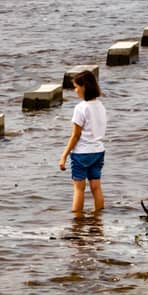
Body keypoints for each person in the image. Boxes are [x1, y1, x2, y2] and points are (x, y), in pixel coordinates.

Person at [57, 69, 106, 215]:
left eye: (76, 87)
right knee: (96, 187)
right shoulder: (100, 106)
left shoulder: (80, 108)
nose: (75, 90)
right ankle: (99, 218)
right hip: (98, 151)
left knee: (79, 189)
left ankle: (77, 223)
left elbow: (75, 136)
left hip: (81, 154)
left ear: (84, 87)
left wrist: (64, 155)